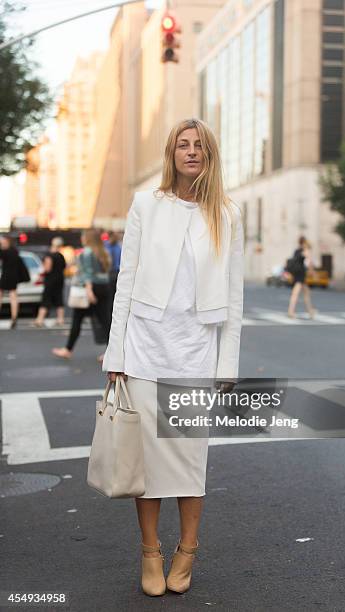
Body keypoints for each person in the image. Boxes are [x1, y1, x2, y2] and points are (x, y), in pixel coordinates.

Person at [102, 118, 244, 597]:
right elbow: (127, 278)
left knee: (188, 461)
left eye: (199, 145)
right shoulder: (146, 204)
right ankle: (150, 551)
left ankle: (186, 550)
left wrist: (228, 363)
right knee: (145, 464)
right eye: (182, 145)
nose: (191, 151)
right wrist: (116, 349)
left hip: (195, 351)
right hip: (144, 347)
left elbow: (235, 295)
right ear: (171, 153)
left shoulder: (227, 213)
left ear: (210, 155)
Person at [52, 229, 111, 361]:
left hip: (90, 288)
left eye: (83, 236)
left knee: (77, 319)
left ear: (88, 238)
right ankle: (111, 352)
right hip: (103, 287)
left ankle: (68, 349)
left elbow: (88, 273)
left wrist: (89, 290)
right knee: (105, 321)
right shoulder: (103, 252)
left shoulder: (87, 253)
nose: (82, 239)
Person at [34, 237, 66, 327]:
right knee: (59, 299)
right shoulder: (61, 256)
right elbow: (64, 267)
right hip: (60, 279)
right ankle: (61, 319)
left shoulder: (49, 256)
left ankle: (39, 319)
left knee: (46, 299)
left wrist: (42, 271)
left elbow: (47, 269)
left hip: (50, 280)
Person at [287, 236, 316, 319]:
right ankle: (291, 311)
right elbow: (310, 262)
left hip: (297, 273)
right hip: (300, 274)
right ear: (304, 242)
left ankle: (310, 311)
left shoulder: (296, 251)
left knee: (306, 293)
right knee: (295, 293)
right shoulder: (304, 251)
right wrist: (312, 272)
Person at [0, 235, 22, 329]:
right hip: (13, 276)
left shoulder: (3, 252)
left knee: (1, 295)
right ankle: (14, 318)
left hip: (5, 275)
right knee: (13, 297)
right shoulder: (15, 251)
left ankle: (14, 318)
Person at [104, 231, 122, 328]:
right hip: (116, 274)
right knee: (115, 298)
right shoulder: (118, 247)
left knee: (109, 300)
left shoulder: (106, 246)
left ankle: (109, 320)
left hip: (109, 274)